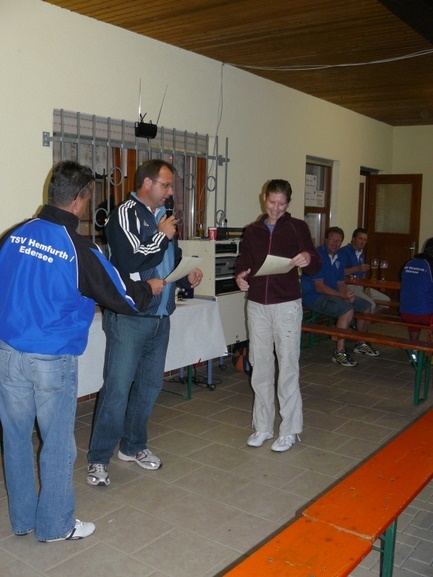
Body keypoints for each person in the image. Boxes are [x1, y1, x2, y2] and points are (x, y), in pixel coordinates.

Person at [0, 161, 165, 542]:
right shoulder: (77, 248)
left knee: (16, 439)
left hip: (8, 354)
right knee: (57, 445)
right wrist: (149, 289)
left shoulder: (14, 235)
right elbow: (121, 296)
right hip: (51, 358)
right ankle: (55, 525)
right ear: (78, 201)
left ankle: (23, 519)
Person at [87, 159, 203, 486]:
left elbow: (167, 262)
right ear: (147, 183)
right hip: (130, 317)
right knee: (117, 389)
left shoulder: (164, 216)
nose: (170, 192)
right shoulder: (124, 214)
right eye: (165, 185)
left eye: (171, 186)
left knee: (149, 387)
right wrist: (163, 236)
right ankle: (98, 459)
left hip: (160, 316)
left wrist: (185, 277)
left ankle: (132, 446)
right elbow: (130, 260)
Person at [235, 179, 321, 452]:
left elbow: (314, 264)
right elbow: (244, 262)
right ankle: (263, 426)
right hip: (257, 305)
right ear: (264, 198)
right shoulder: (252, 230)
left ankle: (290, 430)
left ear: (288, 203)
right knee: (260, 366)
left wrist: (307, 257)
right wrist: (240, 276)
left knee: (287, 366)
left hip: (286, 305)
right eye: (272, 202)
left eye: (281, 204)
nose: (275, 208)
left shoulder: (298, 227)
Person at [301, 226, 379, 367]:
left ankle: (360, 343)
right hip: (314, 297)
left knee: (365, 306)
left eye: (338, 241)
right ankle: (339, 353)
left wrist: (346, 294)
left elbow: (340, 282)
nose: (335, 243)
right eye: (332, 239)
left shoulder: (340, 257)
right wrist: (341, 296)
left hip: (332, 294)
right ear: (326, 240)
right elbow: (319, 287)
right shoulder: (317, 256)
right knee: (346, 309)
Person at [338, 227, 390, 313]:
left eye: (365, 240)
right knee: (371, 304)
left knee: (386, 301)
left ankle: (363, 318)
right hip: (348, 285)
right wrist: (357, 268)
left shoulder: (361, 255)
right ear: (353, 239)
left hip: (361, 285)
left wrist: (367, 287)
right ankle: (362, 318)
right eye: (360, 239)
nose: (362, 242)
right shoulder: (343, 252)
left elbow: (363, 275)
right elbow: (339, 272)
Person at [400, 238, 433, 340]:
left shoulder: (409, 263)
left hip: (405, 312)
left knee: (416, 302)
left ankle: (414, 345)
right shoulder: (431, 265)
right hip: (426, 315)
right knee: (421, 305)